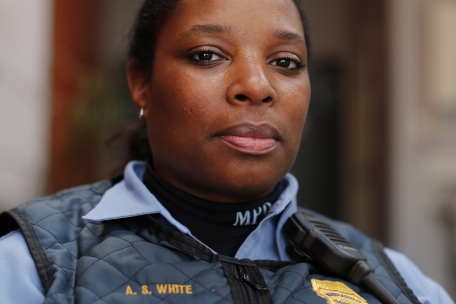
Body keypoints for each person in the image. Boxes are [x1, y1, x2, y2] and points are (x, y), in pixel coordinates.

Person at [0, 0, 453, 303]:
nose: (257, 86)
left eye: (286, 62)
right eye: (206, 55)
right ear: (141, 82)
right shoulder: (35, 264)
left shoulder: (388, 278)